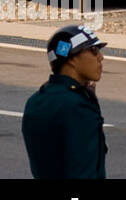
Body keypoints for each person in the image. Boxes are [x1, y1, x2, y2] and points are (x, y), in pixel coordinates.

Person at [22, 25, 109, 179]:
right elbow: (84, 169)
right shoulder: (78, 108)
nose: (101, 57)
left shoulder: (36, 101)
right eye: (94, 51)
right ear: (72, 59)